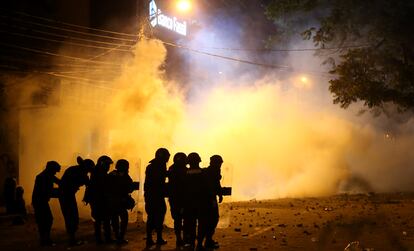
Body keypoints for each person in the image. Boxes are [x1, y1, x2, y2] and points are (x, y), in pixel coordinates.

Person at [59, 157, 94, 246]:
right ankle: (71, 239)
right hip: (66, 195)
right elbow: (89, 184)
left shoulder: (76, 170)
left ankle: (71, 237)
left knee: (71, 216)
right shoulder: (79, 172)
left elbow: (88, 184)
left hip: (67, 194)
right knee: (72, 216)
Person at [83, 155, 113, 244]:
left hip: (97, 199)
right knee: (102, 219)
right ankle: (102, 239)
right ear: (102, 164)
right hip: (98, 199)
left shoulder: (97, 171)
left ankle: (102, 238)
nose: (108, 167)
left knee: (101, 219)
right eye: (107, 165)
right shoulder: (98, 173)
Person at [144, 148, 170, 246]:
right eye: (167, 156)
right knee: (158, 216)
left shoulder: (153, 166)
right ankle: (157, 238)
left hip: (151, 195)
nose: (168, 158)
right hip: (155, 196)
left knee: (152, 217)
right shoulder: (159, 166)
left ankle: (150, 239)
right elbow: (158, 182)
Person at [183, 152, 208, 251]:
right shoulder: (203, 173)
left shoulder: (185, 174)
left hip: (189, 204)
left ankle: (191, 244)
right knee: (202, 224)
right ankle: (199, 244)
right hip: (201, 203)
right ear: (199, 161)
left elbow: (182, 190)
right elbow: (207, 189)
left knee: (190, 225)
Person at [107, 159, 136, 245]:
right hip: (121, 201)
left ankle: (117, 236)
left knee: (114, 219)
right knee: (124, 219)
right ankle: (121, 237)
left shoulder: (111, 174)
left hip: (112, 201)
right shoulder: (125, 176)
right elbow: (129, 188)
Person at [32, 161, 61, 246]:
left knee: (45, 220)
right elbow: (48, 191)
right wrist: (61, 192)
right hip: (39, 201)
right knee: (46, 220)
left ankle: (44, 239)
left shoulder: (47, 175)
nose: (55, 173)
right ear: (51, 169)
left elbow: (60, 182)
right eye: (55, 171)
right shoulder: (43, 177)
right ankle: (45, 239)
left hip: (40, 201)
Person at [203, 155, 224, 249]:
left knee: (209, 219)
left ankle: (207, 240)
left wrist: (219, 194)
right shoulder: (212, 172)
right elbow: (215, 184)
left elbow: (217, 184)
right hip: (209, 199)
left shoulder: (209, 171)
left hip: (208, 198)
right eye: (219, 163)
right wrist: (218, 195)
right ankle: (207, 240)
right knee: (213, 218)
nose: (220, 165)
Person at [167, 152, 188, 247]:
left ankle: (179, 238)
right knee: (184, 219)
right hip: (182, 198)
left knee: (178, 219)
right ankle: (182, 238)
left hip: (175, 198)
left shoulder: (171, 169)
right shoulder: (184, 170)